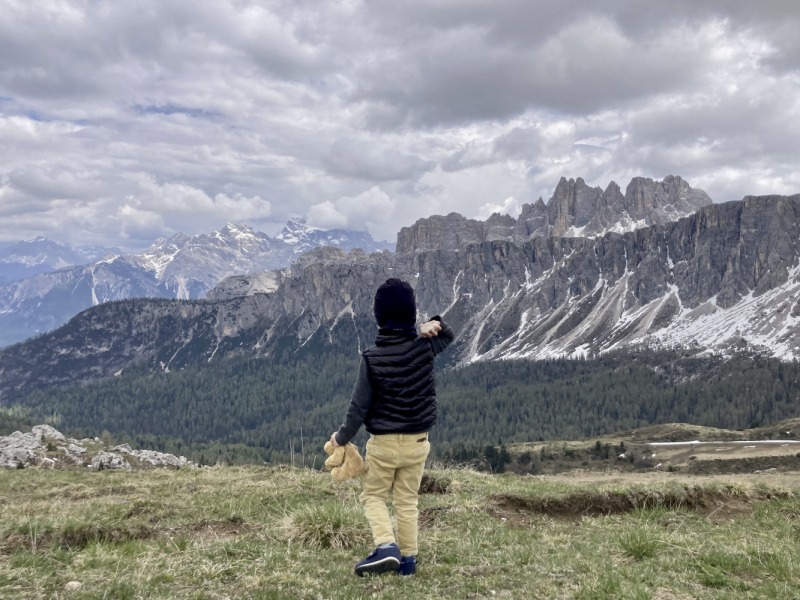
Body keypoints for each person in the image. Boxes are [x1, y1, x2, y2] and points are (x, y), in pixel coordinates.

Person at [330, 278, 455, 577]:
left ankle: (386, 546)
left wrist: (341, 438)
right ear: (411, 315)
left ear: (379, 318)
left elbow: (358, 408)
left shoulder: (372, 359)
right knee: (407, 501)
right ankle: (408, 563)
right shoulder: (425, 347)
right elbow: (448, 335)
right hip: (417, 443)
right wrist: (433, 323)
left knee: (373, 496)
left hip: (383, 444)